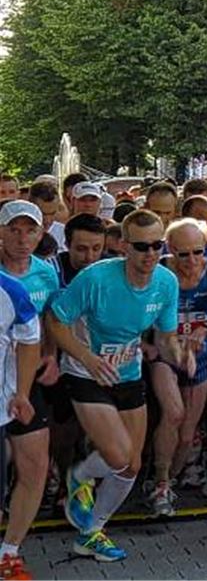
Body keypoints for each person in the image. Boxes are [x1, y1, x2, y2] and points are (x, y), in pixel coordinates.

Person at [49, 208, 191, 563]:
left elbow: (167, 335)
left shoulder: (166, 282)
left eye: (158, 246)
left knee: (130, 466)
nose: (150, 255)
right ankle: (78, 477)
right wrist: (86, 358)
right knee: (116, 455)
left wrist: (179, 353)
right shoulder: (96, 278)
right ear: (124, 247)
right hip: (87, 374)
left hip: (127, 374)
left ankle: (91, 532)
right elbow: (54, 320)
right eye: (141, 247)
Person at [147, 218, 207, 517]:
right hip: (166, 356)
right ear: (171, 250)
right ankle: (159, 484)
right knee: (173, 413)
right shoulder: (160, 272)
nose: (192, 261)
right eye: (183, 254)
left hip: (201, 356)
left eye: (198, 251)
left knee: (186, 434)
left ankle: (167, 478)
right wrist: (151, 343)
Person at [0, 201, 57, 579]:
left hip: (16, 389)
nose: (22, 238)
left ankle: (9, 551)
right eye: (13, 230)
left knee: (35, 465)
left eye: (29, 230)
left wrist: (22, 391)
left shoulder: (24, 287)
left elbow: (34, 333)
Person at [55, 214, 106, 286]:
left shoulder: (114, 269)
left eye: (96, 249)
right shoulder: (52, 269)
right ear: (67, 245)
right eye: (81, 249)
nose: (89, 257)